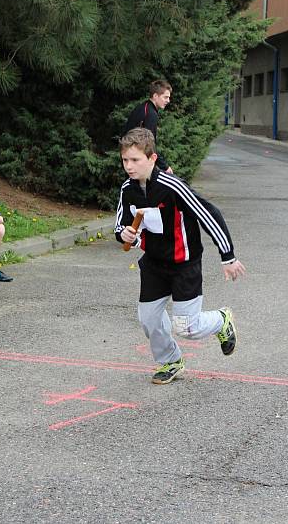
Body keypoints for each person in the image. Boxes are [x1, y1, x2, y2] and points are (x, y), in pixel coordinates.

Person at [114, 128, 245, 384]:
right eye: (125, 160)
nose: (129, 166)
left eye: (135, 160)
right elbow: (122, 223)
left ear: (152, 159)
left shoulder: (173, 187)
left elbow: (209, 214)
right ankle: (171, 361)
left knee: (187, 327)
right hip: (153, 264)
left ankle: (221, 320)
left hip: (184, 264)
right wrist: (124, 235)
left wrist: (227, 256)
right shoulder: (127, 188)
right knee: (149, 319)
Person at [123, 79, 173, 173]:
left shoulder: (142, 107)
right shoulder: (150, 114)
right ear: (155, 96)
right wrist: (165, 167)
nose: (168, 101)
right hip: (137, 162)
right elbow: (149, 145)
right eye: (165, 97)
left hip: (130, 159)